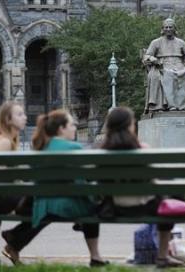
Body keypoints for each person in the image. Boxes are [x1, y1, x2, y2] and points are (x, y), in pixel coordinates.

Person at [100, 106, 185, 268]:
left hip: (113, 208)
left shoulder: (100, 152)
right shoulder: (143, 149)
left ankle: (94, 256)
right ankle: (162, 256)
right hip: (146, 207)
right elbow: (156, 178)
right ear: (130, 126)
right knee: (175, 194)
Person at [31, 109, 108, 267]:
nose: (76, 127)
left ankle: (96, 257)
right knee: (92, 208)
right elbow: (81, 183)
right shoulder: (73, 148)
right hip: (64, 206)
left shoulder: (41, 147)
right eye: (72, 124)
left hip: (41, 206)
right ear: (61, 128)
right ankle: (95, 256)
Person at [0, 101, 44, 265]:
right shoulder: (4, 142)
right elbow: (0, 175)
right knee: (44, 207)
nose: (25, 117)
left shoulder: (6, 140)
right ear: (8, 120)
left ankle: (14, 242)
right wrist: (17, 202)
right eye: (20, 114)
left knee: (42, 205)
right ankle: (14, 241)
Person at [143, 18, 185, 113]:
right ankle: (171, 105)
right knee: (168, 74)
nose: (168, 29)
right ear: (162, 29)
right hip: (163, 65)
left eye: (170, 27)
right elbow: (146, 55)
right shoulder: (156, 42)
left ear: (174, 29)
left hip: (179, 64)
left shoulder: (181, 42)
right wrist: (152, 59)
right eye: (166, 27)